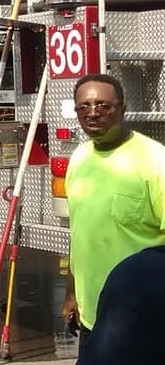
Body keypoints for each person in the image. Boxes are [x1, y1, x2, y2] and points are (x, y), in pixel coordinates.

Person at [61, 73, 165, 345]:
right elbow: (78, 234)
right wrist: (71, 294)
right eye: (83, 107)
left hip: (144, 321)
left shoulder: (155, 161)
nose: (92, 113)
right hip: (92, 319)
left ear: (122, 109)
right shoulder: (79, 158)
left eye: (103, 105)